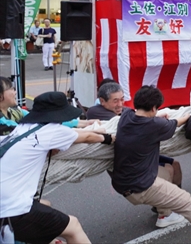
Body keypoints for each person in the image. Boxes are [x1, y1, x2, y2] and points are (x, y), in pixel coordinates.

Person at [111, 86, 191, 243]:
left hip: (123, 182)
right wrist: (188, 116)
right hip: (141, 186)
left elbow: (154, 121)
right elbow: (175, 123)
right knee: (186, 201)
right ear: (153, 108)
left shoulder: (127, 116)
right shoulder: (154, 125)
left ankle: (165, 215)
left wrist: (159, 116)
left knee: (171, 168)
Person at [0, 92, 112, 244]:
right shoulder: (52, 131)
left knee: (44, 205)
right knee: (73, 226)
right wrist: (110, 138)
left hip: (6, 203)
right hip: (11, 210)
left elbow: (71, 133)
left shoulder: (22, 128)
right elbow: (88, 137)